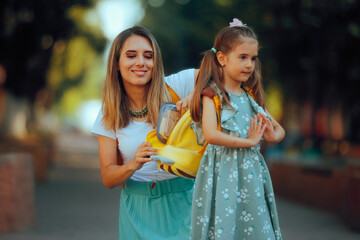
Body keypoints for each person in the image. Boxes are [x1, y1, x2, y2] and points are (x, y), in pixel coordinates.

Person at [91, 25, 197, 240]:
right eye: (131, 56)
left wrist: (197, 93)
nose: (141, 62)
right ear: (117, 64)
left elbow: (221, 72)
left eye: (148, 56)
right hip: (137, 208)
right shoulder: (108, 113)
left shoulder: (176, 86)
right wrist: (133, 164)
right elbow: (108, 177)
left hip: (185, 204)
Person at [189, 18, 285, 240]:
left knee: (254, 226)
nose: (249, 65)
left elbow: (280, 130)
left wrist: (272, 135)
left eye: (253, 58)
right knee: (224, 226)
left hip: (250, 175)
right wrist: (249, 142)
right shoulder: (212, 94)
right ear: (221, 58)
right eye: (242, 57)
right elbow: (212, 135)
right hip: (222, 174)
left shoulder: (251, 98)